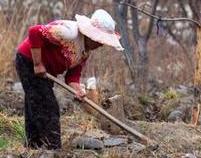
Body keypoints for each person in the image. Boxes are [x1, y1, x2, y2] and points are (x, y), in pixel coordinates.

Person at [15, 9, 124, 149]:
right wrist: (37, 64)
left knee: (35, 105)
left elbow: (72, 75)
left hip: (46, 71)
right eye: (100, 40)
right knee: (47, 106)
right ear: (91, 35)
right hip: (28, 61)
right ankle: (53, 149)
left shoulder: (85, 52)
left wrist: (77, 90)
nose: (101, 44)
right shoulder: (69, 33)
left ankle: (33, 146)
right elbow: (34, 32)